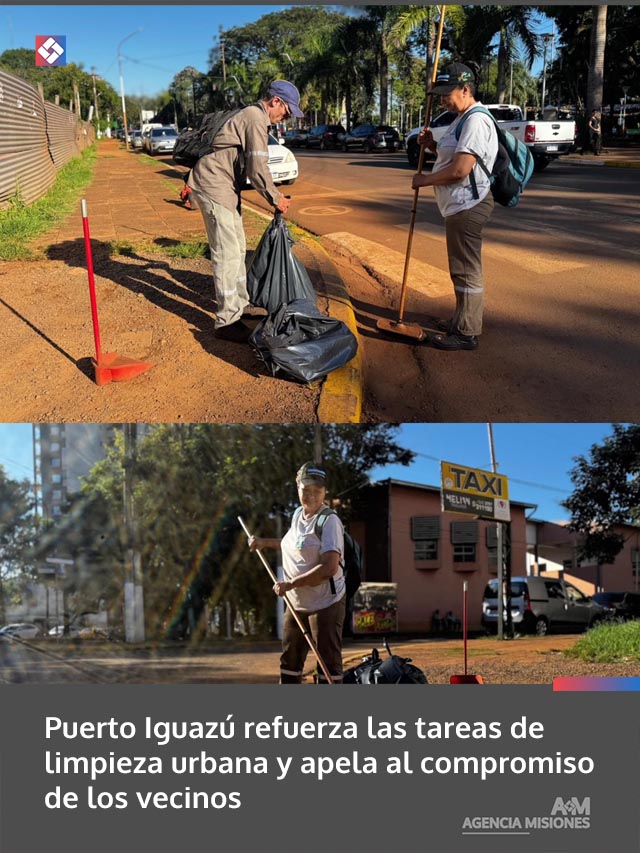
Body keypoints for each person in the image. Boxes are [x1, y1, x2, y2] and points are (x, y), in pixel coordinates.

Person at [188, 81, 303, 343]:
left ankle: (237, 310)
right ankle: (227, 322)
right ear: (275, 101)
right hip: (215, 186)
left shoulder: (256, 117)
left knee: (238, 249)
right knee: (227, 254)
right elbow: (257, 168)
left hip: (225, 188)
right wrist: (275, 198)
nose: (285, 117)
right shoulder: (254, 117)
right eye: (286, 111)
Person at [411, 63, 498, 351]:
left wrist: (425, 180)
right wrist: (433, 146)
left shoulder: (475, 120)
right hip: (459, 204)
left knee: (466, 269)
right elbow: (452, 158)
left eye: (447, 93)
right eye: (440, 95)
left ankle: (466, 332)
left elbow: (460, 170)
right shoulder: (461, 119)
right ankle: (461, 320)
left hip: (468, 204)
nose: (443, 99)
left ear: (466, 89)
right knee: (459, 269)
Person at [249, 462, 346, 684]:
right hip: (296, 603)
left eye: (318, 490)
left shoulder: (329, 521)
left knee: (327, 664)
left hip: (326, 603)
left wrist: (290, 584)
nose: (312, 495)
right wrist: (263, 542)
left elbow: (329, 568)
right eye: (306, 489)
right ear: (297, 486)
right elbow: (289, 544)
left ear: (324, 491)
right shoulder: (297, 516)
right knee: (290, 663)